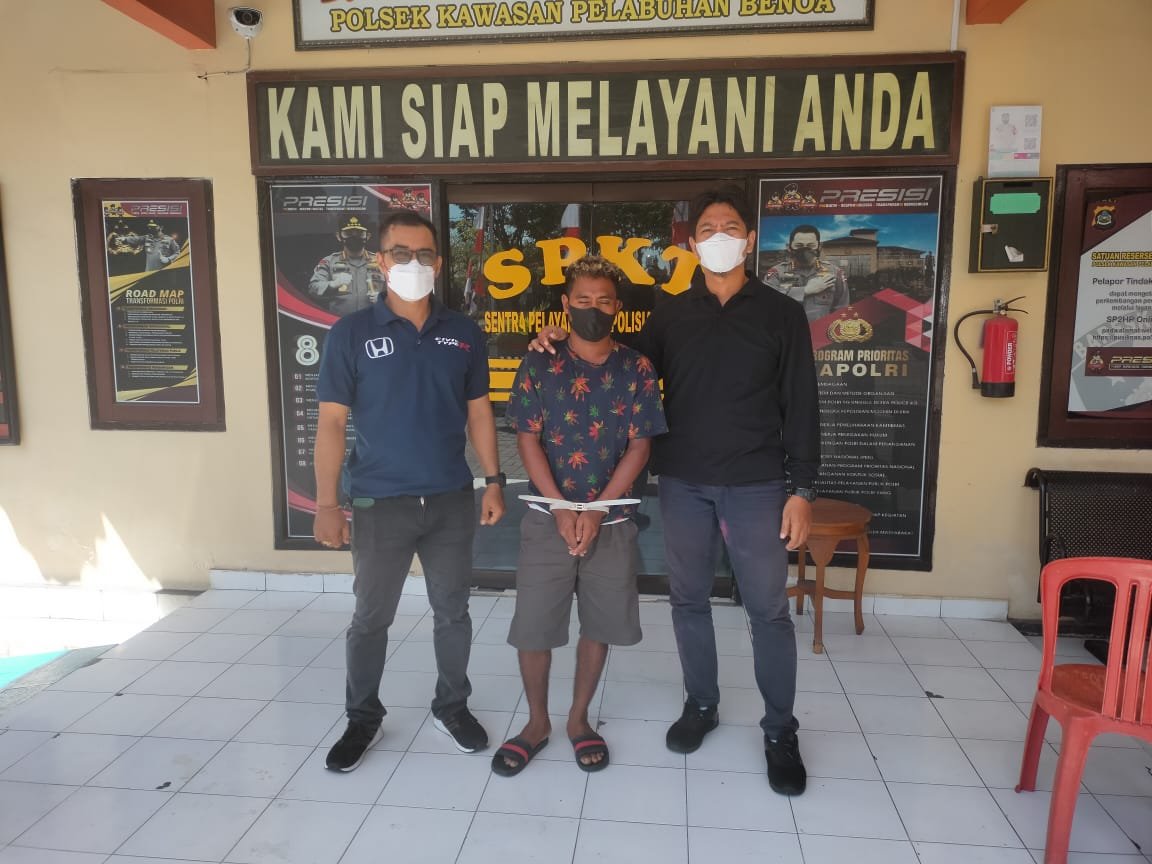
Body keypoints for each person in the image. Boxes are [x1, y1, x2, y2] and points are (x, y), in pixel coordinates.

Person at [533, 186, 820, 796]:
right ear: (693, 243)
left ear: (749, 240)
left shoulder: (781, 313)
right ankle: (702, 704)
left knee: (768, 611)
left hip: (757, 483)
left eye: (730, 227)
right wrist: (558, 336)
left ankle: (779, 731)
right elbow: (617, 364)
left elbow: (802, 404)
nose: (718, 237)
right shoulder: (672, 312)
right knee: (688, 601)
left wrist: (802, 489)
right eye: (707, 229)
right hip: (684, 480)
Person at [314, 210, 506, 772]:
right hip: (379, 502)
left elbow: (479, 412)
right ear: (381, 261)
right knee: (371, 617)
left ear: (438, 263)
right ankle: (362, 718)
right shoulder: (351, 333)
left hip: (449, 500)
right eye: (401, 253)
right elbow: (331, 423)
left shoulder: (463, 333)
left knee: (453, 613)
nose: (413, 263)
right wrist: (327, 504)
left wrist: (494, 481)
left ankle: (452, 707)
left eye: (423, 254)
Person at [493, 255, 667, 778]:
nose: (594, 309)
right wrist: (562, 506)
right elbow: (527, 438)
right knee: (534, 626)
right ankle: (536, 723)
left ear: (618, 308)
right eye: (583, 300)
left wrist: (596, 508)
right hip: (547, 516)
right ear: (566, 305)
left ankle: (578, 719)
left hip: (610, 522)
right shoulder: (539, 362)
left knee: (601, 622)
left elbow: (640, 446)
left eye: (604, 301)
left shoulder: (637, 368)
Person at [763, 225, 850, 322]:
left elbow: (842, 311)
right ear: (789, 247)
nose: (805, 250)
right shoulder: (776, 273)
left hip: (821, 330)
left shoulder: (835, 273)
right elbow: (767, 304)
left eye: (811, 246)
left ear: (819, 247)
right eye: (799, 246)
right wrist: (805, 290)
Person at [308, 214, 386, 316]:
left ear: (368, 236)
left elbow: (397, 290)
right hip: (339, 321)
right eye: (348, 233)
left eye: (359, 233)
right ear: (338, 236)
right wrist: (333, 284)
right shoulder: (329, 262)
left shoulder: (381, 261)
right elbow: (313, 288)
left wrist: (383, 298)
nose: (354, 236)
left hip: (373, 321)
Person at [113, 220, 182, 271]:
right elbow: (136, 239)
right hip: (148, 272)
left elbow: (177, 252)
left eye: (154, 227)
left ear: (161, 227)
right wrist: (125, 238)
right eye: (150, 227)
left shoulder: (169, 240)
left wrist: (168, 259)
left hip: (164, 272)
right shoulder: (146, 238)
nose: (151, 228)